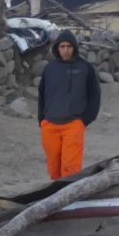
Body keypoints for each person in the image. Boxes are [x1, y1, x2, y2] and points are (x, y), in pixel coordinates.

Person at [36, 30, 101, 180]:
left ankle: (71, 202)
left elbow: (95, 94)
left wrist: (84, 120)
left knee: (70, 170)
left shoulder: (85, 68)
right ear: (57, 48)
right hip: (50, 125)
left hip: (73, 124)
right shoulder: (50, 68)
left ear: (75, 48)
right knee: (53, 168)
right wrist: (42, 120)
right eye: (62, 46)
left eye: (69, 47)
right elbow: (42, 93)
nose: (65, 50)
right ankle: (57, 200)